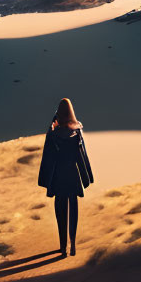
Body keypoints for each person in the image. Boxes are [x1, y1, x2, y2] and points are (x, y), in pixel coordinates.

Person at [37, 96, 93, 256]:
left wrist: (52, 127)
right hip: (73, 175)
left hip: (59, 176)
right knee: (73, 210)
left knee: (61, 212)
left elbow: (48, 155)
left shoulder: (53, 134)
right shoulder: (77, 131)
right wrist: (86, 176)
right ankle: (73, 244)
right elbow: (81, 155)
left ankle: (63, 247)